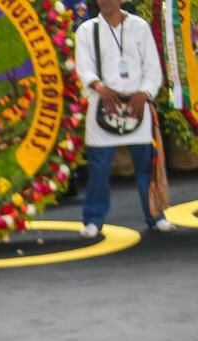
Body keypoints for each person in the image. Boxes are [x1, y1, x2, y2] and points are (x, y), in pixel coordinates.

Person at [74, 0, 176, 236]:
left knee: (146, 166)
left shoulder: (139, 27)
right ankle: (93, 220)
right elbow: (84, 67)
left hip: (137, 104)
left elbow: (152, 66)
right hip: (102, 105)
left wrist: (145, 93)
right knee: (99, 168)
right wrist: (100, 87)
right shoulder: (87, 30)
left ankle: (155, 215)